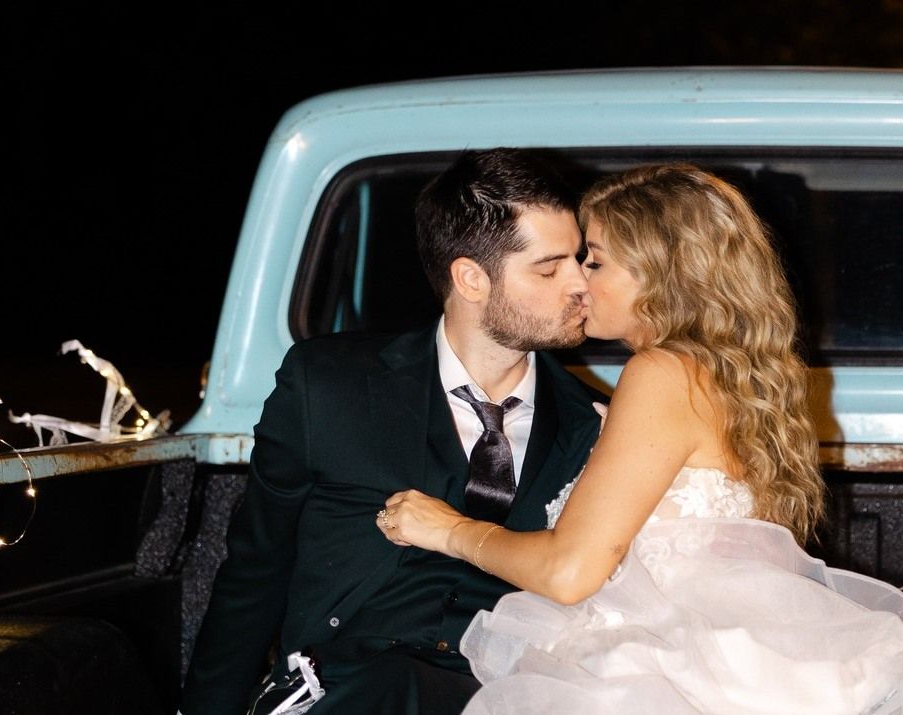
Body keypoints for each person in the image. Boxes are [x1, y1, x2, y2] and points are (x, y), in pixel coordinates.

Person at [380, 164, 903, 714]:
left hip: (675, 670)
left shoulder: (662, 373)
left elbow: (572, 571)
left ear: (658, 271)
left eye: (595, 260)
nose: (577, 281)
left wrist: (448, 530)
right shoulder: (729, 375)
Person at [180, 148, 608, 715]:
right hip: (346, 686)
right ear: (471, 279)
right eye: (550, 267)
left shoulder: (593, 424)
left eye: (580, 259)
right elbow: (256, 569)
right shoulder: (328, 385)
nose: (582, 283)